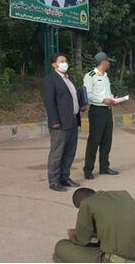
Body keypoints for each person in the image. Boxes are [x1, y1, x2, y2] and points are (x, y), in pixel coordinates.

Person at [54, 188, 135, 262]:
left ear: (81, 203)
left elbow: (81, 240)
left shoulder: (87, 204)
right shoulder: (122, 194)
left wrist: (73, 235)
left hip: (121, 260)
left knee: (61, 246)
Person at [42, 53, 84, 192]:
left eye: (65, 60)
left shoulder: (69, 78)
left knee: (70, 151)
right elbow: (50, 102)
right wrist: (54, 121)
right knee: (57, 152)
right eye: (61, 61)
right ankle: (54, 181)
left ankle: (65, 177)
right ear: (54, 65)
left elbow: (73, 97)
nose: (64, 63)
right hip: (59, 123)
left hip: (72, 119)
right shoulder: (50, 79)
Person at [83, 52, 119, 179]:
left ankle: (104, 167)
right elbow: (88, 94)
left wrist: (112, 100)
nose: (109, 63)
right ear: (103, 62)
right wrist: (103, 100)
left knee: (106, 141)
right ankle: (88, 170)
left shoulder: (106, 77)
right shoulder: (90, 76)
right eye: (108, 61)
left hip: (107, 111)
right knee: (94, 141)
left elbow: (106, 93)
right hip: (97, 111)